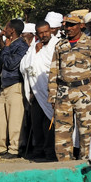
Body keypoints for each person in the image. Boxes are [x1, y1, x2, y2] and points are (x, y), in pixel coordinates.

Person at [48, 10, 91, 161]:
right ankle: (64, 163)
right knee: (62, 131)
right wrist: (52, 95)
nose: (68, 28)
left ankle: (85, 162)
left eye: (72, 25)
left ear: (81, 26)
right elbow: (53, 70)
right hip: (63, 92)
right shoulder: (60, 45)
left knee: (86, 131)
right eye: (66, 25)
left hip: (84, 91)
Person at [20, 14, 61, 160]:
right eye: (41, 33)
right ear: (37, 33)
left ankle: (50, 152)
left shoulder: (58, 45)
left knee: (48, 124)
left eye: (46, 32)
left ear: (51, 31)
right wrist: (35, 52)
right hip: (36, 93)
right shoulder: (34, 47)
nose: (44, 35)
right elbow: (24, 66)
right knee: (36, 123)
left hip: (51, 91)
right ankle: (38, 150)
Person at [0, 18, 29, 158]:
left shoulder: (21, 46)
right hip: (4, 87)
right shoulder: (9, 44)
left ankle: (14, 149)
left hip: (15, 85)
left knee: (15, 119)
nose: (4, 30)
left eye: (6, 28)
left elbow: (11, 64)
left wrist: (6, 48)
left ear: (12, 30)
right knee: (0, 119)